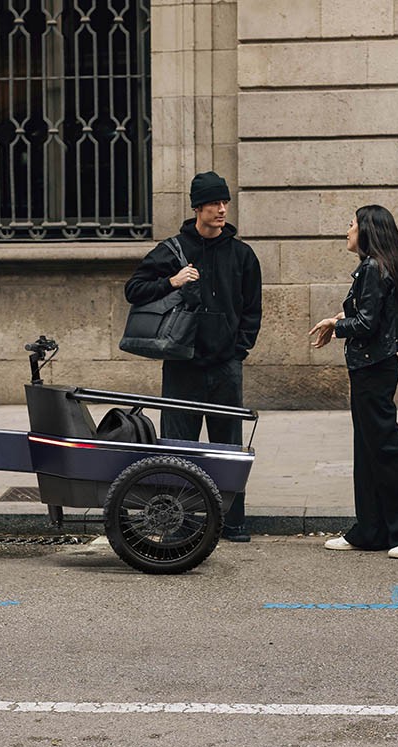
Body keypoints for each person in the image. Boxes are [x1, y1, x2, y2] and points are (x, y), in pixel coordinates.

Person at [124, 171, 263, 542]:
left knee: (227, 447)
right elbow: (133, 290)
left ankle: (232, 522)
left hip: (225, 366)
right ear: (197, 207)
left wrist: (238, 351)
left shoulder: (242, 254)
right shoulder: (172, 251)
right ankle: (180, 524)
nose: (222, 210)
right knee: (178, 449)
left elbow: (252, 309)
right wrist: (172, 281)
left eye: (225, 203)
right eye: (215, 203)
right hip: (182, 364)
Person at [309, 205, 398, 558]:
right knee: (368, 452)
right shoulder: (378, 267)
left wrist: (336, 326)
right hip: (372, 367)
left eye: (351, 224)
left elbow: (366, 325)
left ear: (367, 230)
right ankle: (372, 529)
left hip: (373, 368)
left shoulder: (372, 268)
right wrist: (339, 318)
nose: (347, 230)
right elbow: (374, 315)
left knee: (385, 451)